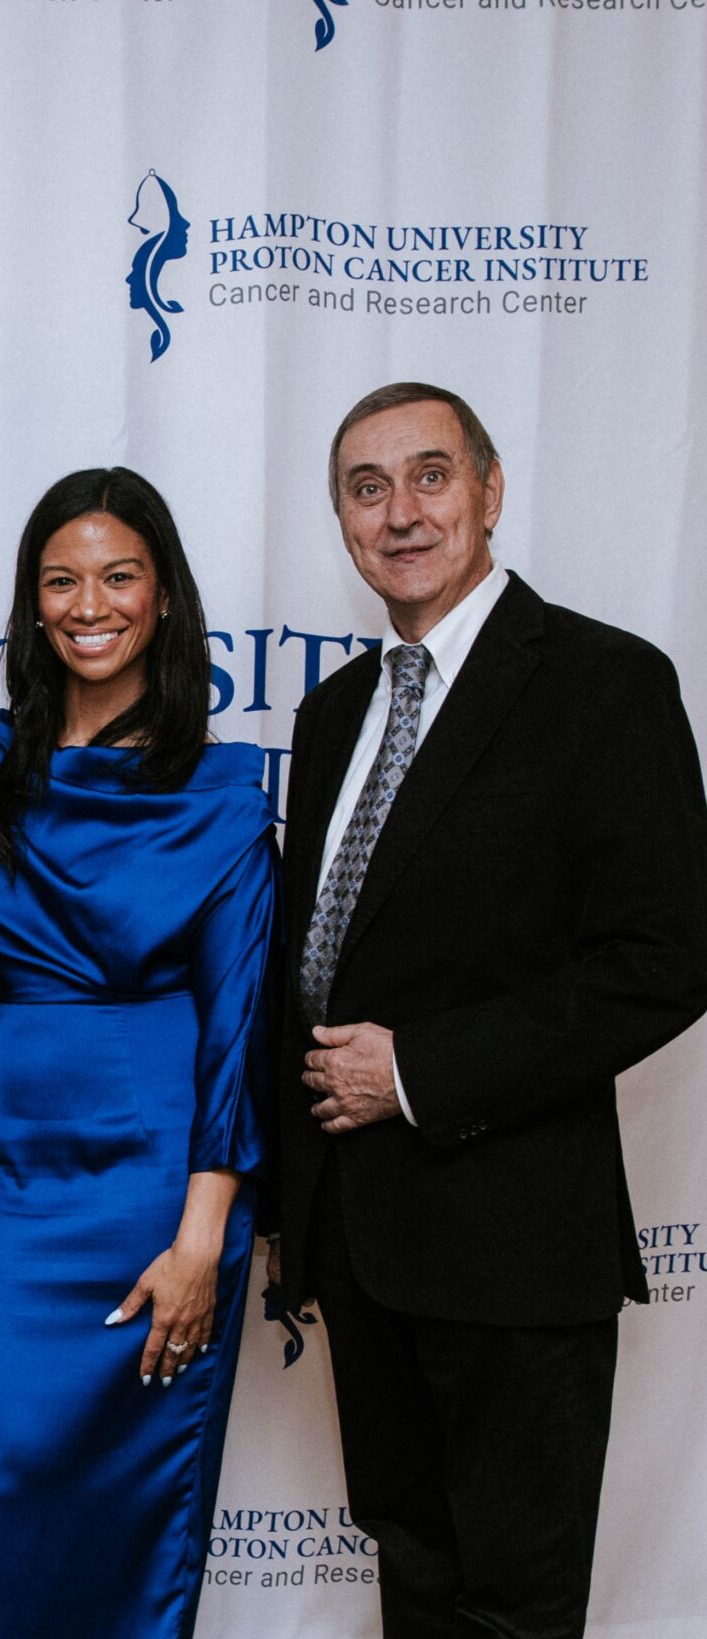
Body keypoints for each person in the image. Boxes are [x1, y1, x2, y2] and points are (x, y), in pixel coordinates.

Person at [272, 382, 707, 1638]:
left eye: (429, 475)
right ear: (341, 520)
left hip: (513, 1243)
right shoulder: (333, 711)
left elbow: (665, 956)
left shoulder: (602, 682)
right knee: (411, 1577)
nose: (398, 513)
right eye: (365, 488)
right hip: (361, 1240)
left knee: (515, 1606)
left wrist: (416, 1071)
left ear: (489, 489)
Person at [0, 468, 275, 1637]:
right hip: (3, 1186)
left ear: (163, 595)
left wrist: (199, 1241)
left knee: (136, 1514)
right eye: (60, 580)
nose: (89, 604)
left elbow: (237, 1030)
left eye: (118, 576)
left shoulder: (220, 796)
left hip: (156, 1197)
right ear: (32, 603)